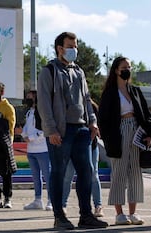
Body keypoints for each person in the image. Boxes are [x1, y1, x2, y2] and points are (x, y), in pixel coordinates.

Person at [37, 32, 108, 229]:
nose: (74, 50)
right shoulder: (49, 71)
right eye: (70, 46)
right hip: (61, 131)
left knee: (86, 172)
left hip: (82, 130)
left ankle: (86, 215)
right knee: (58, 172)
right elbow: (43, 104)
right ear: (60, 48)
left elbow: (86, 99)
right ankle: (59, 216)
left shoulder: (79, 71)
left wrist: (92, 122)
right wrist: (51, 130)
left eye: (75, 46)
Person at [99, 56, 151, 225]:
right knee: (119, 172)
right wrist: (109, 138)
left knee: (135, 173)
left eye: (130, 67)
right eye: (124, 67)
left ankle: (133, 212)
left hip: (137, 131)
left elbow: (146, 114)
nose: (128, 70)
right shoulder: (110, 93)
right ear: (116, 70)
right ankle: (119, 214)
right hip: (119, 132)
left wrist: (150, 134)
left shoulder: (135, 91)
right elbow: (103, 118)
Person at [62, 99, 104, 217]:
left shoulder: (92, 107)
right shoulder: (70, 105)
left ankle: (98, 205)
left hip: (91, 145)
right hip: (74, 144)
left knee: (93, 175)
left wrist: (93, 133)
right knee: (68, 175)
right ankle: (63, 205)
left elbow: (97, 125)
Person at [21, 90, 52, 211]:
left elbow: (45, 129)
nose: (27, 99)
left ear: (35, 98)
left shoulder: (43, 111)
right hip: (31, 150)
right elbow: (26, 127)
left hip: (43, 149)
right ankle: (37, 200)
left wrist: (32, 137)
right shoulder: (29, 112)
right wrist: (24, 134)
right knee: (35, 176)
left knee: (47, 175)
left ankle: (51, 200)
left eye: (29, 97)